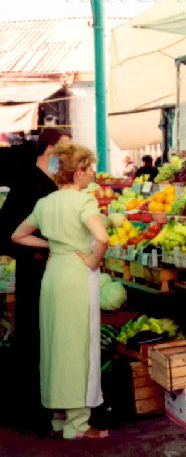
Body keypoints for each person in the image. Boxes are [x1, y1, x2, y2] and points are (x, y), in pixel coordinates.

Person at [11, 143, 110, 440]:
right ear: (78, 173)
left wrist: (52, 246)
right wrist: (93, 259)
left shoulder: (46, 203)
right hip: (77, 277)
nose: (91, 173)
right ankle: (78, 424)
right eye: (89, 168)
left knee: (55, 344)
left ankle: (58, 418)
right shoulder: (84, 202)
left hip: (53, 278)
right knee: (79, 346)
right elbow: (102, 237)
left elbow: (18, 235)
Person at [0, 128, 69, 434]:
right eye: (64, 148)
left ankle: (47, 409)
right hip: (34, 273)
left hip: (54, 273)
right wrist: (45, 248)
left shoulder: (54, 183)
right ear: (49, 149)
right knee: (33, 338)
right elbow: (5, 234)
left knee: (49, 339)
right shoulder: (28, 183)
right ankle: (32, 414)